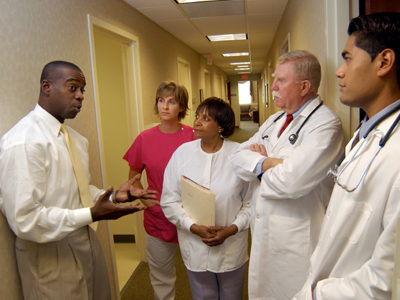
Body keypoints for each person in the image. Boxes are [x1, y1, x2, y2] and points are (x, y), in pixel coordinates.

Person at [0, 61, 157, 300]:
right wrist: (92, 214)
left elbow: (77, 191)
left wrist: (113, 196)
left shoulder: (75, 139)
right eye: (72, 87)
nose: (80, 96)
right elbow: (25, 219)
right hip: (48, 252)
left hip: (85, 241)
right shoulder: (24, 142)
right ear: (46, 87)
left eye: (83, 90)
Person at [293, 12, 400, 300]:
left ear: (384, 62)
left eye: (348, 58)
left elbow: (387, 280)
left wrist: (318, 295)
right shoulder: (364, 135)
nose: (339, 71)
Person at [230, 50, 344, 300]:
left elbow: (290, 182)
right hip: (265, 232)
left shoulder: (326, 125)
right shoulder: (274, 120)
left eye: (281, 80)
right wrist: (271, 163)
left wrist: (257, 164)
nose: (273, 86)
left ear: (304, 86)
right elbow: (237, 157)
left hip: (296, 240)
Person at [161, 97, 251, 300]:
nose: (197, 122)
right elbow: (169, 200)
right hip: (195, 244)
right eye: (197, 116)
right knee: (202, 296)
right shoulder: (182, 154)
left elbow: (251, 203)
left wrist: (233, 229)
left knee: (232, 295)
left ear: (221, 126)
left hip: (231, 245)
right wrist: (191, 226)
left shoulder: (240, 155)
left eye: (206, 118)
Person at [123, 81, 195, 300]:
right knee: (162, 278)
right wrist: (146, 200)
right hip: (158, 217)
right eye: (161, 101)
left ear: (181, 107)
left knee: (200, 272)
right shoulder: (144, 139)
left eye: (171, 101)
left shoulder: (194, 136)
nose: (165, 106)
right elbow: (133, 178)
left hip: (192, 215)